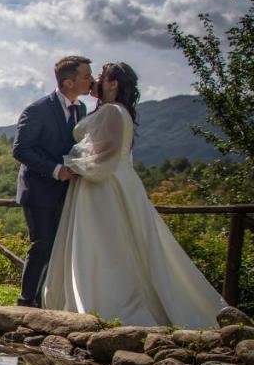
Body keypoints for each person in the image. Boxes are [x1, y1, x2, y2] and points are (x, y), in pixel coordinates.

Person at [42, 62, 227, 328]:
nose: (94, 82)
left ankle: (108, 301)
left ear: (114, 83)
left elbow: (105, 157)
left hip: (104, 185)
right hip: (108, 182)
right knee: (113, 244)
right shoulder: (115, 110)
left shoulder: (114, 112)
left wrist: (72, 165)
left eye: (101, 78)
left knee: (108, 244)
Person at [13, 55, 93, 307]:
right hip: (38, 189)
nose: (91, 81)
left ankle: (46, 299)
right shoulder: (37, 110)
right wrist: (56, 169)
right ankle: (26, 301)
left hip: (68, 191)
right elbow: (21, 150)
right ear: (69, 82)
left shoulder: (82, 110)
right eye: (86, 76)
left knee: (61, 246)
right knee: (42, 243)